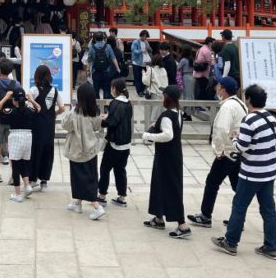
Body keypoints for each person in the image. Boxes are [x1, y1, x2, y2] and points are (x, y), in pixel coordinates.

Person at [213, 83, 276, 259]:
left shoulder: (249, 120)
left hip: (251, 172)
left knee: (239, 206)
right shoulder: (271, 118)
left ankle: (231, 242)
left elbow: (241, 147)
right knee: (268, 210)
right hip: (269, 171)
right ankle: (271, 246)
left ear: (248, 100)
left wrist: (234, 138)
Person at [188, 76, 246, 228]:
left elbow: (221, 130)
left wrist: (218, 151)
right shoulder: (240, 104)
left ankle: (205, 215)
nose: (216, 88)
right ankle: (238, 217)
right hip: (237, 151)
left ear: (224, 90)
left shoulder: (227, 107)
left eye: (218, 86)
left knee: (212, 182)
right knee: (237, 186)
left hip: (226, 152)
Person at [142, 85, 191, 238]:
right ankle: (158, 217)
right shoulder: (178, 114)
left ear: (167, 98)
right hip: (173, 155)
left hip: (166, 157)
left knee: (171, 188)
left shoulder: (166, 115)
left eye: (163, 96)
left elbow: (168, 135)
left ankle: (182, 225)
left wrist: (149, 136)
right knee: (160, 185)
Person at [61, 81, 106, 220]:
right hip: (91, 149)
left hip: (77, 150)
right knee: (90, 176)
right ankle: (77, 203)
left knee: (81, 179)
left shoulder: (75, 113)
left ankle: (97, 206)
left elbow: (65, 125)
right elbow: (97, 127)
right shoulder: (94, 111)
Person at [0, 86, 40, 202]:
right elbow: (39, 108)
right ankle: (27, 185)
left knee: (15, 166)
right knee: (25, 163)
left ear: (14, 100)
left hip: (15, 136)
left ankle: (18, 194)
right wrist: (31, 100)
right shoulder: (30, 110)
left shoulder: (11, 111)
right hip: (28, 137)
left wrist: (6, 97)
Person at [28, 64, 64, 191]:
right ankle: (44, 181)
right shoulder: (55, 91)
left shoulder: (34, 89)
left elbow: (28, 99)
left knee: (36, 151)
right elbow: (62, 108)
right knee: (48, 151)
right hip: (49, 126)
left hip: (37, 125)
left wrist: (35, 104)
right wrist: (54, 114)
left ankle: (33, 179)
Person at [98, 78, 133, 207]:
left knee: (105, 168)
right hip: (126, 143)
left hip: (115, 143)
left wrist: (101, 121)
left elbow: (112, 122)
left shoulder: (115, 103)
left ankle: (102, 195)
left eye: (112, 87)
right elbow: (121, 119)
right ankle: (122, 197)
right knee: (120, 170)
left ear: (115, 89)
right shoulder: (128, 103)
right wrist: (108, 117)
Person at [84, 31, 120, 100]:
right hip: (106, 72)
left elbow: (89, 60)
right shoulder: (108, 46)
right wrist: (117, 68)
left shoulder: (92, 47)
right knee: (106, 89)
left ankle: (97, 107)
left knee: (96, 90)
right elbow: (113, 58)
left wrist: (88, 70)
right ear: (103, 38)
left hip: (96, 72)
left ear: (94, 38)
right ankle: (106, 107)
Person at [144, 53, 169, 121]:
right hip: (164, 94)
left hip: (155, 93)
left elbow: (146, 81)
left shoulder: (151, 69)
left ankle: (153, 129)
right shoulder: (164, 70)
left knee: (153, 115)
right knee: (162, 114)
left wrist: (143, 74)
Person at [192, 37, 215, 103]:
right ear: (210, 43)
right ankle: (200, 104)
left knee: (201, 88)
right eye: (212, 43)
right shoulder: (206, 51)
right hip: (203, 73)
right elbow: (210, 62)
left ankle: (199, 104)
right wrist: (214, 60)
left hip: (198, 72)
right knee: (203, 89)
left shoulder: (201, 49)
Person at [130, 29, 151, 98]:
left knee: (144, 77)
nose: (145, 38)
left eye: (146, 37)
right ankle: (139, 91)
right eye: (144, 36)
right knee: (137, 78)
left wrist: (148, 49)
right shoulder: (136, 42)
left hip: (144, 62)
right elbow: (133, 50)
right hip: (137, 62)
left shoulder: (146, 42)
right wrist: (141, 51)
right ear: (141, 35)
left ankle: (142, 90)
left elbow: (149, 49)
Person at [177, 45, 195, 120]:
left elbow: (178, 68)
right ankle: (188, 113)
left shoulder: (184, 60)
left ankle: (187, 114)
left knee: (185, 95)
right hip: (192, 77)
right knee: (190, 95)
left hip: (186, 77)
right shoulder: (191, 59)